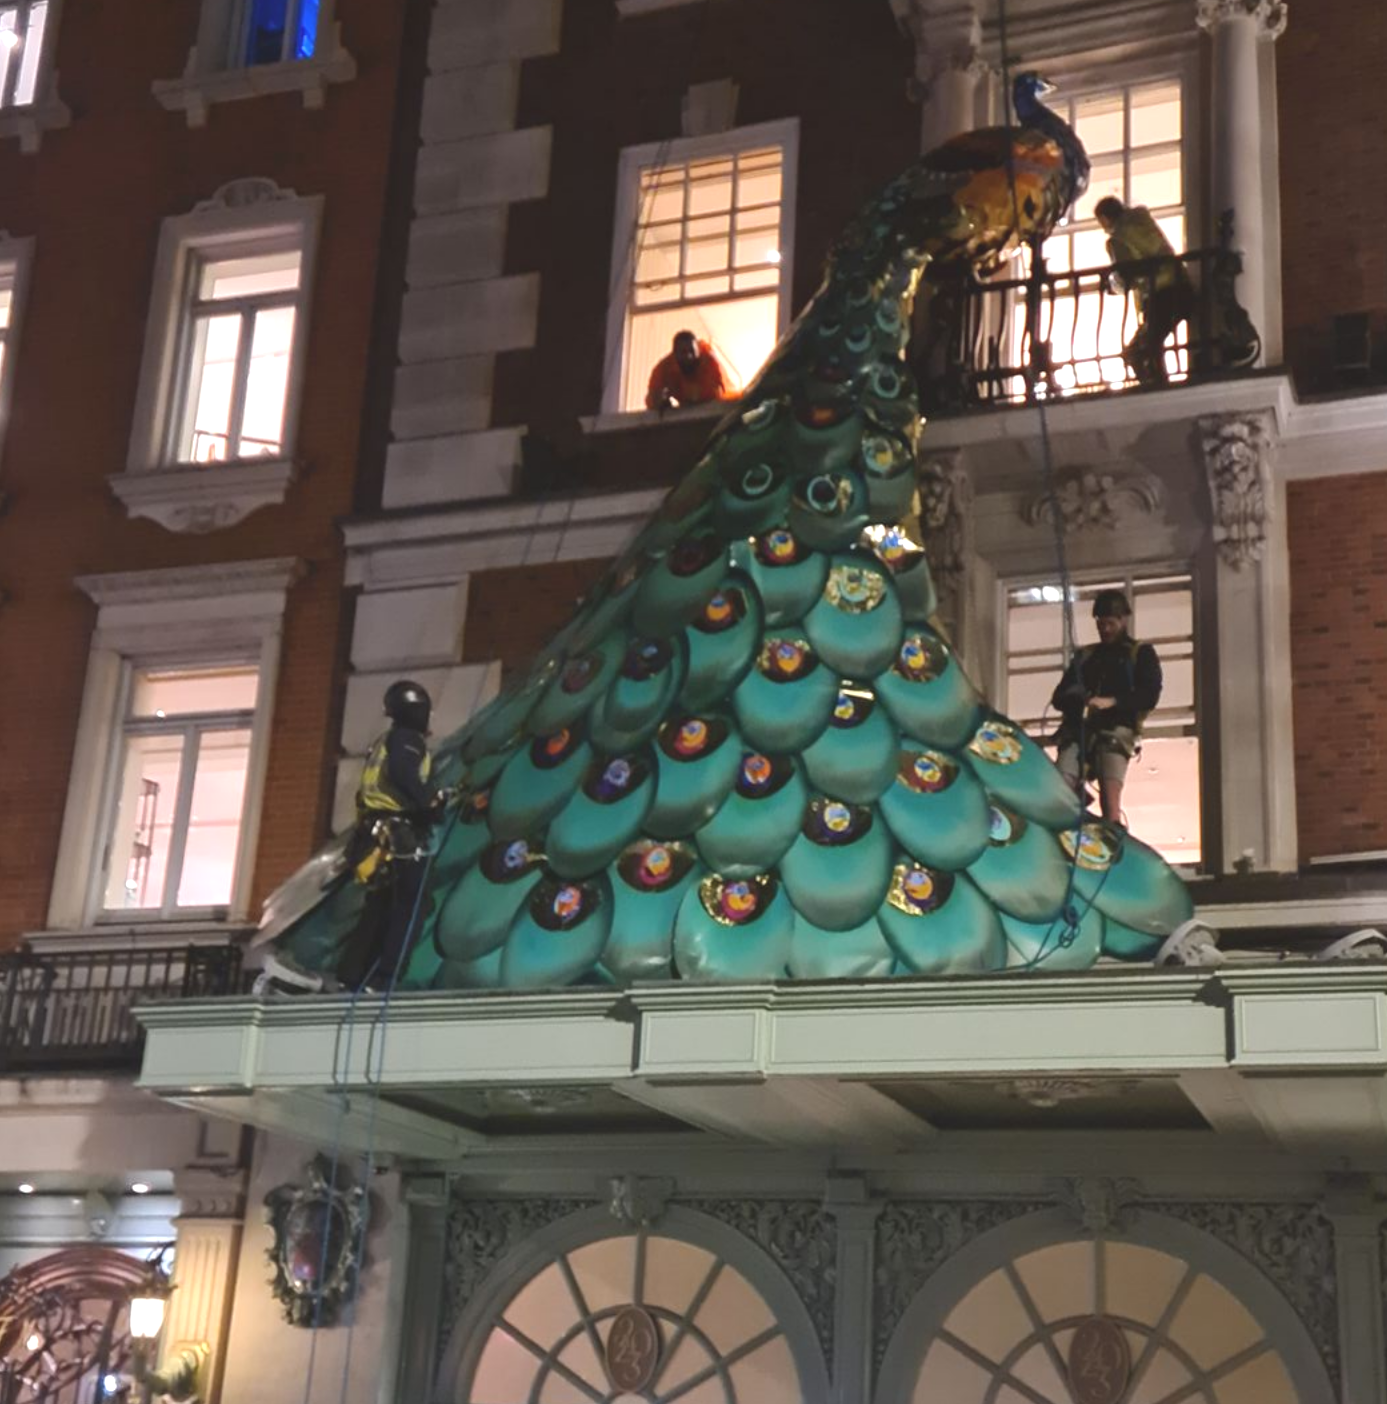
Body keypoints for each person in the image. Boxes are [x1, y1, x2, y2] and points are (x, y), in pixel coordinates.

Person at [336, 680, 445, 991]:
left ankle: (353, 975)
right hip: (399, 834)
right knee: (414, 903)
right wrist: (430, 802)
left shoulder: (382, 743)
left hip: (374, 834)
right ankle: (388, 976)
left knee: (380, 904)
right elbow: (403, 774)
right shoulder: (407, 740)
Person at [1050, 590, 1163, 825]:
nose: (1106, 629)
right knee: (1060, 787)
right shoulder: (1086, 656)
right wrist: (1079, 699)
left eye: (1110, 623)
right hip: (1079, 731)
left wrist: (1113, 702)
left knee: (1110, 800)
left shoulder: (1140, 654)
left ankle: (1112, 831)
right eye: (1101, 624)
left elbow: (1149, 695)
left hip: (1115, 731)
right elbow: (1059, 697)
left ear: (1123, 620)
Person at [1095, 196, 1197, 388]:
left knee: (1139, 350)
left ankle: (1159, 388)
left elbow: (1126, 275)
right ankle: (1161, 384)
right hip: (1181, 285)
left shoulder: (1118, 239)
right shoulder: (1142, 221)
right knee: (1150, 343)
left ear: (1105, 219)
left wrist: (1113, 285)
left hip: (1159, 294)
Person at [645, 330, 731, 410]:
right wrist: (660, 402)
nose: (688, 356)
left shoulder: (711, 364)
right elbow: (652, 397)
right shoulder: (664, 369)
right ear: (675, 353)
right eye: (683, 352)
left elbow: (718, 398)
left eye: (692, 351)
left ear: (698, 351)